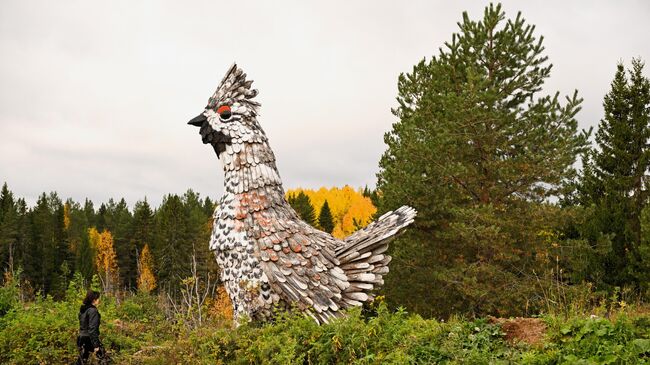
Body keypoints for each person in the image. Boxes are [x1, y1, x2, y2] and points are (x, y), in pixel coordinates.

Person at [75, 290, 108, 364]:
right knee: (102, 356)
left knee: (82, 360)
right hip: (89, 338)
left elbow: (82, 325)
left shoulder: (82, 310)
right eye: (98, 298)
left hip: (81, 338)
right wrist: (96, 345)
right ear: (94, 300)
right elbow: (92, 329)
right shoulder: (93, 311)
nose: (99, 300)